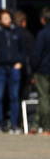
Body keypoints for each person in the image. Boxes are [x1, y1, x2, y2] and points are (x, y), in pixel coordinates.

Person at [0, 9, 27, 134]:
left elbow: (24, 49)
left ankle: (14, 124)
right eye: (4, 18)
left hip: (14, 68)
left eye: (9, 18)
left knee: (14, 97)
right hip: (0, 68)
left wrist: (20, 62)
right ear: (0, 20)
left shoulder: (17, 31)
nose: (8, 20)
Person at [28, 7, 50, 136]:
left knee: (44, 98)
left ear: (42, 19)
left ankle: (47, 127)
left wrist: (33, 68)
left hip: (43, 70)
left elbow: (37, 54)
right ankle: (35, 125)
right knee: (45, 99)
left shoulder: (42, 34)